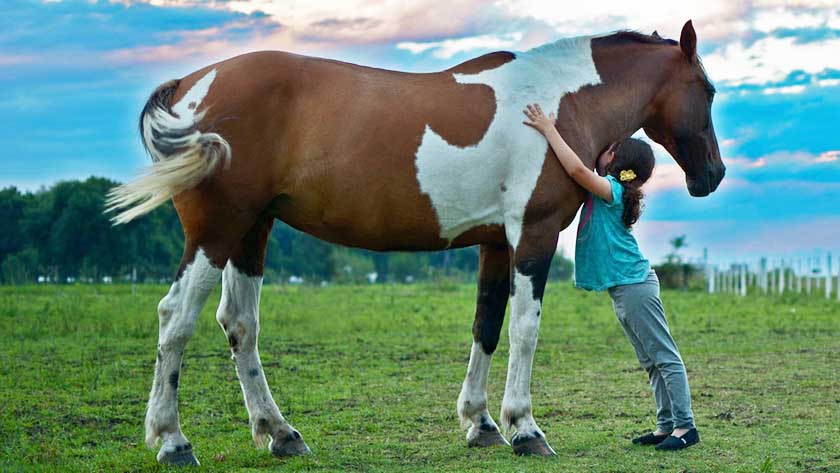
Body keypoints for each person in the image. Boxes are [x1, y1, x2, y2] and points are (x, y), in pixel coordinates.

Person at [522, 103, 699, 451]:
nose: (603, 148)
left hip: (634, 286)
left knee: (664, 356)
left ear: (616, 160)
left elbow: (574, 167)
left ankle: (686, 427)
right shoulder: (612, 189)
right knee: (650, 361)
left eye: (610, 147)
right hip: (625, 288)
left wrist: (547, 128)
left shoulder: (611, 191)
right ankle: (666, 425)